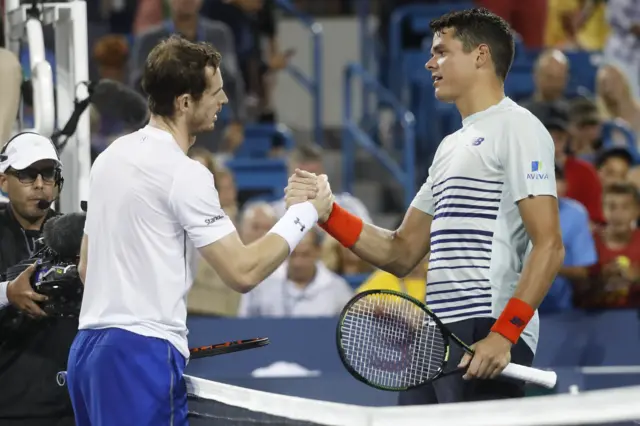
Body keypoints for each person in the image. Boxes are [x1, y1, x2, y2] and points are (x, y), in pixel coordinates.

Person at [287, 8, 564, 404]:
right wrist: (328, 213)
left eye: (442, 51)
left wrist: (505, 334)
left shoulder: (519, 127)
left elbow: (549, 244)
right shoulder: (449, 147)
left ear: (480, 55)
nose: (430, 62)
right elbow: (401, 252)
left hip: (485, 328)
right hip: (435, 337)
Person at [66, 35, 333, 426]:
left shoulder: (109, 159)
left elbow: (87, 268)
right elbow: (242, 272)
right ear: (185, 102)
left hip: (88, 352)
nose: (223, 102)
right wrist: (305, 214)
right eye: (216, 93)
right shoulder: (184, 173)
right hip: (138, 355)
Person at [0, 132, 76, 425]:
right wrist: (8, 293)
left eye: (47, 174)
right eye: (28, 175)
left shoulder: (78, 236)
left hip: (67, 407)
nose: (40, 184)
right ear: (4, 181)